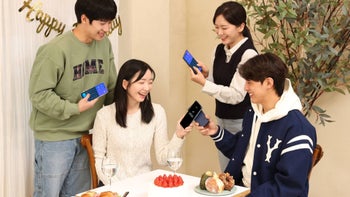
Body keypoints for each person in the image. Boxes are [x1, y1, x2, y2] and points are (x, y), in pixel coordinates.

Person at [28, 0, 118, 196]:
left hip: (86, 137)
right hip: (55, 138)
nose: (107, 29)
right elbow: (38, 95)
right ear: (84, 19)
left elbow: (111, 87)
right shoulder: (55, 50)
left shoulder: (105, 45)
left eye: (110, 22)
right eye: (102, 23)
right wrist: (75, 108)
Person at [195, 53, 317, 196]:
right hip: (239, 190)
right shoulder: (254, 112)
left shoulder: (298, 129)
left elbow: (288, 188)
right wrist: (215, 132)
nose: (245, 88)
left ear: (268, 83)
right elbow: (242, 151)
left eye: (250, 82)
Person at [92, 59, 192, 184]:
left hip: (144, 184)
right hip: (114, 186)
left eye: (150, 82)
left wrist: (178, 135)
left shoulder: (157, 112)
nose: (147, 88)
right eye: (141, 82)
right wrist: (118, 188)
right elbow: (99, 161)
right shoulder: (104, 115)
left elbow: (163, 159)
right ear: (125, 84)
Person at [188, 1, 258, 171]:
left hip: (241, 121)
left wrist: (204, 83)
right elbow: (218, 85)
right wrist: (206, 76)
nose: (219, 33)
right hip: (221, 119)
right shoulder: (218, 50)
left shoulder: (248, 54)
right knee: (225, 171)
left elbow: (236, 95)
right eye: (216, 28)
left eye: (224, 28)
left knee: (239, 172)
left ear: (241, 26)